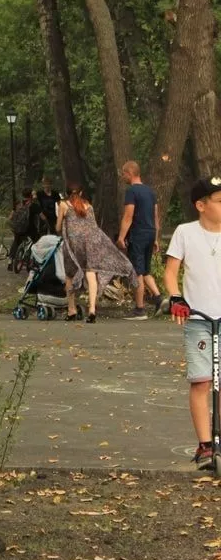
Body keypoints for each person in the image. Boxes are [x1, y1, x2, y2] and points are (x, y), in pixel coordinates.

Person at [164, 176, 221, 468]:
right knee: (202, 382)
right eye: (219, 201)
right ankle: (205, 445)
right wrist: (176, 297)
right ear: (201, 205)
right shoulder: (185, 233)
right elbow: (171, 271)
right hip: (200, 319)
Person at [58, 183, 134, 323]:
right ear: (81, 193)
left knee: (70, 275)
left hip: (73, 245)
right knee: (91, 273)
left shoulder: (63, 205)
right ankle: (92, 309)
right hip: (90, 244)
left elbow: (58, 227)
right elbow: (94, 228)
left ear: (67, 193)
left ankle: (71, 309)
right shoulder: (89, 206)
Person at [116, 160, 163, 319]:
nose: (123, 176)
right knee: (146, 270)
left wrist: (121, 237)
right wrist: (155, 238)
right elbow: (156, 216)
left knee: (137, 272)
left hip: (138, 234)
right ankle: (159, 299)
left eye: (124, 173)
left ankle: (140, 309)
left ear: (129, 173)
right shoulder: (150, 192)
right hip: (150, 232)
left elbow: (128, 216)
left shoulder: (132, 191)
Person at [7, 190, 35, 270]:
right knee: (31, 241)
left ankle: (10, 260)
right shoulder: (29, 203)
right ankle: (27, 259)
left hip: (16, 228)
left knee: (16, 242)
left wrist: (12, 225)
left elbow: (10, 218)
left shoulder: (18, 203)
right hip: (26, 228)